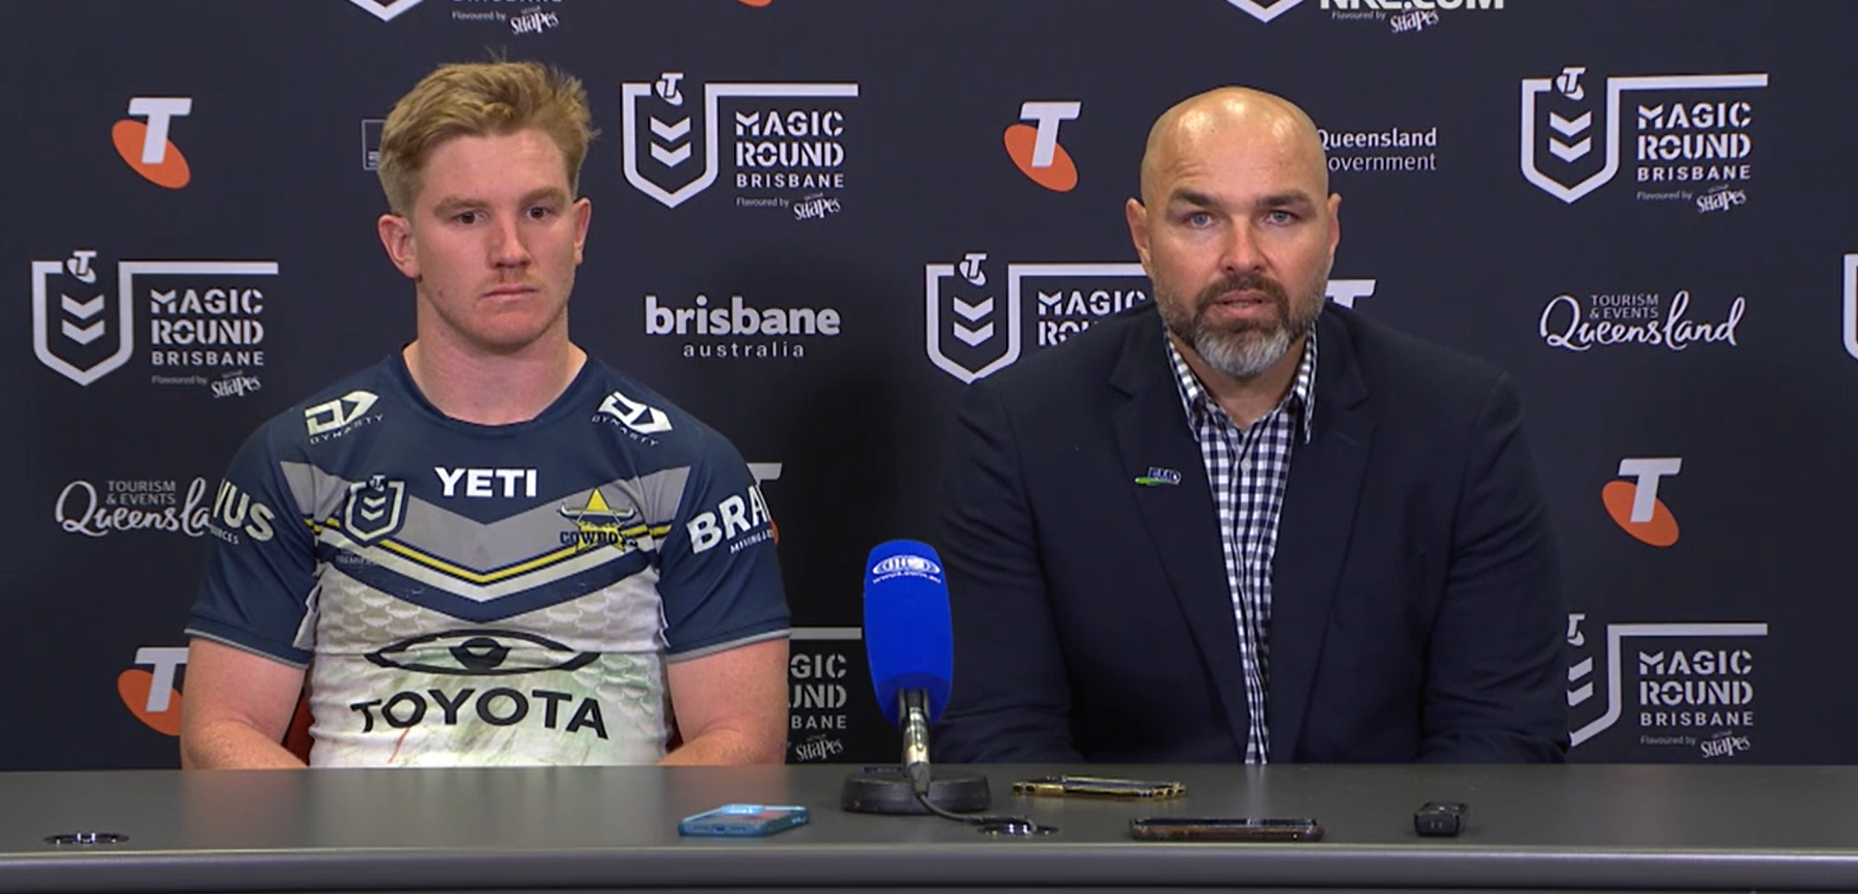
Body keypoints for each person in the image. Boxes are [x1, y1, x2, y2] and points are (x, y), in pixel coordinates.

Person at [180, 61, 789, 768]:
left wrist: (573, 861)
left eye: (539, 211)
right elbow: (220, 737)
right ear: (401, 242)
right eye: (467, 217)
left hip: (600, 871)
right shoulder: (297, 460)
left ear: (579, 227)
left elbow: (743, 745)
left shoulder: (687, 466)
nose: (511, 251)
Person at [933, 86, 1567, 764]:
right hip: (1128, 864)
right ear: (1143, 238)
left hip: (1380, 864)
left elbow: (1502, 740)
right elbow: (995, 739)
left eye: (1280, 216)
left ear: (1331, 232)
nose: (1242, 257)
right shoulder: (1023, 430)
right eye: (1201, 219)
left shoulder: (1459, 424)